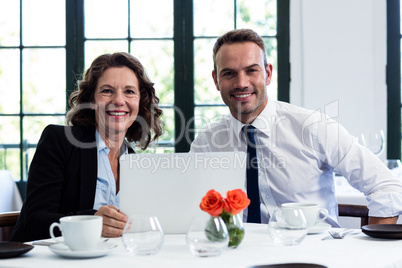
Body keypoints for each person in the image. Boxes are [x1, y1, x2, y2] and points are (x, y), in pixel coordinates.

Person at [190, 28, 402, 226]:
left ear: (268, 73)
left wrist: (371, 248)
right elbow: (187, 205)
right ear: (216, 80)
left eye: (251, 70)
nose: (241, 83)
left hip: (313, 259)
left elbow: (386, 187)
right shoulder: (207, 142)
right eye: (229, 73)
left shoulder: (314, 127)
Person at [10, 52, 163, 242]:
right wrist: (91, 221)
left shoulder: (134, 163)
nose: (119, 100)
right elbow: (33, 221)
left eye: (129, 91)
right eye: (107, 91)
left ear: (140, 102)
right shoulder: (59, 142)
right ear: (91, 100)